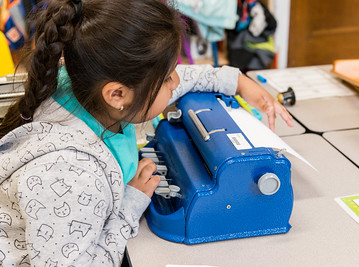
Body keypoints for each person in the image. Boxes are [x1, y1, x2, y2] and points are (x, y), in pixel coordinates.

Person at [0, 0, 293, 266]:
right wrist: (132, 203)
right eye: (167, 77)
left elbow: (167, 83)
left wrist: (238, 81)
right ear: (117, 94)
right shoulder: (71, 174)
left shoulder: (84, 83)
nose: (176, 80)